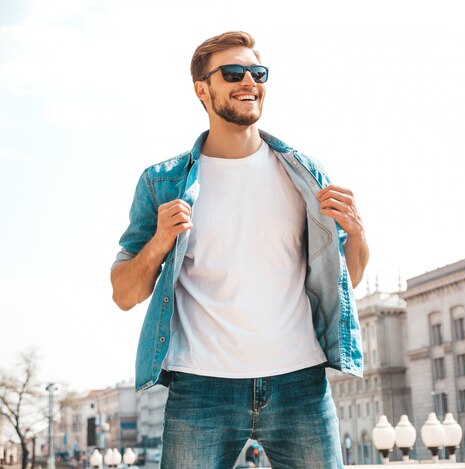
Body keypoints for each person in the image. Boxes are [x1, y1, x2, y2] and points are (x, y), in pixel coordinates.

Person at [111, 31, 368, 469]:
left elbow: (347, 281)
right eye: (232, 72)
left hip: (301, 382)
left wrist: (358, 233)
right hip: (201, 390)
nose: (248, 81)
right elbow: (124, 294)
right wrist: (159, 242)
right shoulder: (162, 182)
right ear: (202, 89)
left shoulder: (304, 174)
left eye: (257, 72)